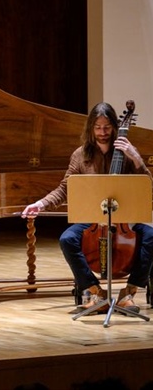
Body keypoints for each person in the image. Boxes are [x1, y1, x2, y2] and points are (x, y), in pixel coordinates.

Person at [22, 102, 153, 313]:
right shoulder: (80, 155)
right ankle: (95, 291)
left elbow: (148, 185)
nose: (102, 132)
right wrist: (41, 203)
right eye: (98, 128)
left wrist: (136, 157)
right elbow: (65, 188)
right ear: (91, 128)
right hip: (92, 219)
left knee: (151, 237)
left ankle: (127, 293)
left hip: (125, 219)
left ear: (115, 127)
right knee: (67, 239)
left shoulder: (128, 153)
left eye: (107, 127)